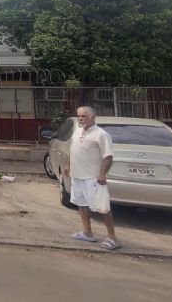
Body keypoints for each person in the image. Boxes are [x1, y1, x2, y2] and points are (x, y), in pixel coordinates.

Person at [64, 106, 120, 250]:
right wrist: (67, 165)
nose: (80, 119)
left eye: (83, 116)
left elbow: (108, 157)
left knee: (103, 207)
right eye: (79, 116)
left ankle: (112, 237)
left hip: (92, 178)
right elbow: (73, 150)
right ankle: (87, 232)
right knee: (81, 204)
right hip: (77, 176)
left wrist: (102, 173)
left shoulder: (101, 134)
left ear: (92, 117)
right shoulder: (77, 132)